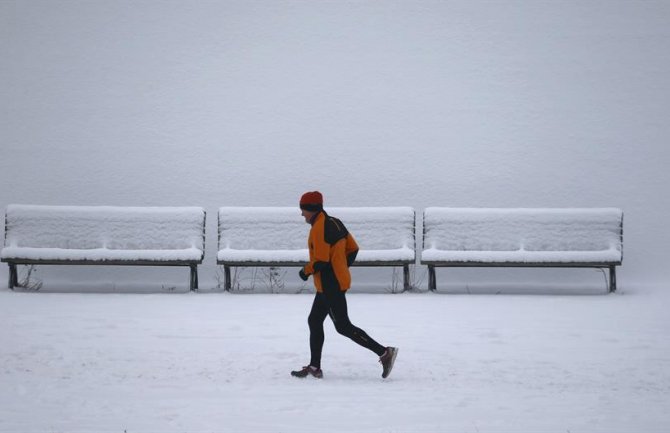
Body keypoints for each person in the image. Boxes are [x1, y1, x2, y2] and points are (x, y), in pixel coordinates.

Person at [291, 191, 398, 379]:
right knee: (314, 321)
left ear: (312, 209)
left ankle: (384, 352)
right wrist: (341, 267)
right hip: (330, 283)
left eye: (303, 210)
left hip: (330, 285)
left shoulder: (319, 228)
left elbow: (321, 260)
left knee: (343, 326)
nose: (302, 215)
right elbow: (353, 248)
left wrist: (305, 271)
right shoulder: (335, 222)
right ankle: (315, 367)